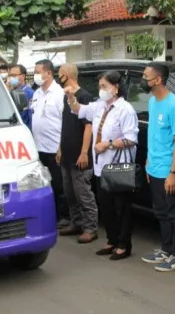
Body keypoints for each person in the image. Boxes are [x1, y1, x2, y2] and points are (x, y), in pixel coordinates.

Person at [65, 70, 139, 260]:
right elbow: (78, 110)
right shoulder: (99, 106)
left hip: (118, 167)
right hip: (100, 167)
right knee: (106, 206)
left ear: (116, 88)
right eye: (100, 86)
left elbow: (131, 139)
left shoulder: (125, 110)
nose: (101, 90)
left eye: (105, 86)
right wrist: (71, 98)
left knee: (121, 207)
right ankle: (112, 240)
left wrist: (109, 143)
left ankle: (124, 244)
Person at [139, 62, 175, 272]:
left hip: (170, 169)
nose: (143, 79)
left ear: (158, 80)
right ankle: (166, 249)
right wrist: (149, 161)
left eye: (146, 76)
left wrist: (173, 173)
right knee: (160, 211)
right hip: (155, 166)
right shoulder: (152, 101)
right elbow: (155, 135)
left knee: (174, 213)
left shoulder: (174, 105)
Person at [56, 64, 98, 244]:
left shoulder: (84, 96)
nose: (59, 79)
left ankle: (90, 227)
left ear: (65, 76)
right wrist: (59, 148)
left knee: (83, 193)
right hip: (66, 153)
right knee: (69, 192)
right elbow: (63, 124)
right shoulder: (66, 98)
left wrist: (84, 153)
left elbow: (88, 127)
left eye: (59, 75)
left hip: (80, 155)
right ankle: (76, 222)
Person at [31, 59, 69, 227]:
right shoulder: (37, 93)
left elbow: (65, 122)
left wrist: (61, 146)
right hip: (39, 147)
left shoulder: (59, 93)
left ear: (48, 73)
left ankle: (64, 216)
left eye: (38, 72)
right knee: (44, 183)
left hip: (55, 147)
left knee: (59, 184)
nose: (36, 75)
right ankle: (50, 214)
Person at [8, 64, 34, 129]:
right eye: (10, 75)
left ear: (23, 76)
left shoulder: (29, 93)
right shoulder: (11, 91)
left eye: (14, 75)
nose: (11, 78)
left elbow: (31, 117)